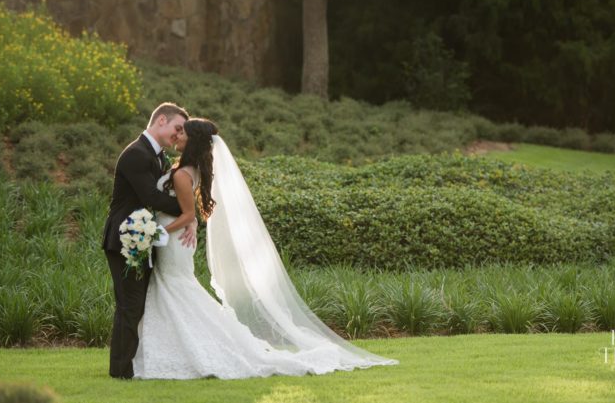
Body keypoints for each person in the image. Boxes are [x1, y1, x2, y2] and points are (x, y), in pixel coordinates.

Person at [133, 118, 397, 379]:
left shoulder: (181, 174)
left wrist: (154, 232)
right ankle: (185, 346)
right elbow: (188, 213)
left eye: (182, 133)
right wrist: (178, 226)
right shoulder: (189, 169)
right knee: (177, 288)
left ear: (193, 140)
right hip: (178, 241)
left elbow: (188, 214)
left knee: (177, 288)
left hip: (173, 241)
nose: (177, 136)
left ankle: (199, 347)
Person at [102, 102, 198, 379]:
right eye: (177, 128)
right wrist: (189, 212)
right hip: (124, 238)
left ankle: (129, 365)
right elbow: (152, 198)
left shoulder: (159, 158)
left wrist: (189, 214)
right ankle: (120, 371)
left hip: (143, 237)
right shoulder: (136, 154)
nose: (179, 136)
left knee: (137, 304)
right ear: (161, 121)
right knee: (130, 304)